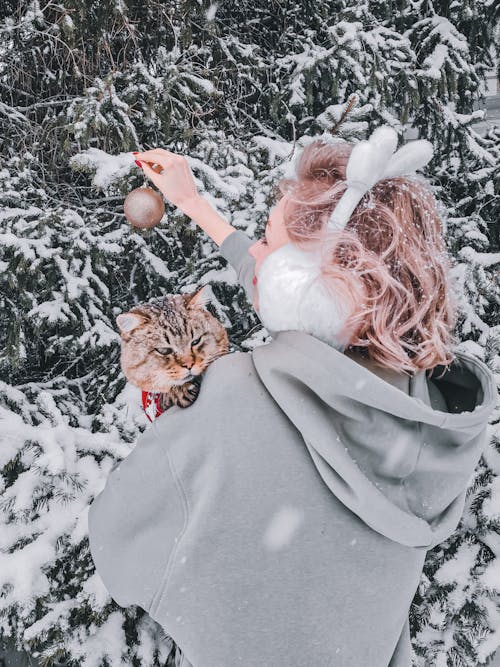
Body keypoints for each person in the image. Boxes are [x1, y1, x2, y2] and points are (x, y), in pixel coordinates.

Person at [88, 128, 497, 667]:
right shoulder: (434, 409)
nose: (255, 256)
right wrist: (192, 203)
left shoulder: (236, 396)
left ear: (320, 285)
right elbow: (301, 289)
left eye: (268, 240)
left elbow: (119, 550)